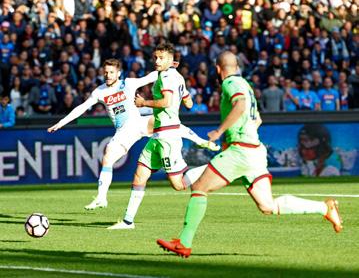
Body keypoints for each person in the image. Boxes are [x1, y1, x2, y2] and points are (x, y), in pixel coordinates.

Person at [157, 51, 343, 258]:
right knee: (268, 206)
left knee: (199, 187)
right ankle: (324, 208)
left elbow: (240, 105)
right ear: (236, 67)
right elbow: (257, 119)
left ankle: (184, 242)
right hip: (254, 151)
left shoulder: (230, 83)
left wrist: (219, 132)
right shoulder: (247, 85)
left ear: (218, 69)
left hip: (240, 150)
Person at [48, 58, 219, 210]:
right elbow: (81, 108)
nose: (108, 75)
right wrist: (61, 123)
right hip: (124, 132)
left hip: (138, 123)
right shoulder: (99, 92)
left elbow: (150, 77)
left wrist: (168, 68)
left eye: (111, 72)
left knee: (168, 123)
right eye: (106, 72)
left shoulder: (128, 83)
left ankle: (202, 141)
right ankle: (101, 198)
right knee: (107, 157)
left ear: (118, 73)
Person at [108, 43, 213, 230]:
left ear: (171, 60)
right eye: (155, 57)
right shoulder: (177, 77)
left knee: (179, 184)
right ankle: (127, 221)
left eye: (161, 58)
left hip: (168, 137)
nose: (157, 61)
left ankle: (215, 166)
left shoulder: (166, 77)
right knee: (140, 175)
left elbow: (166, 102)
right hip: (157, 135)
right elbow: (188, 103)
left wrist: (143, 103)